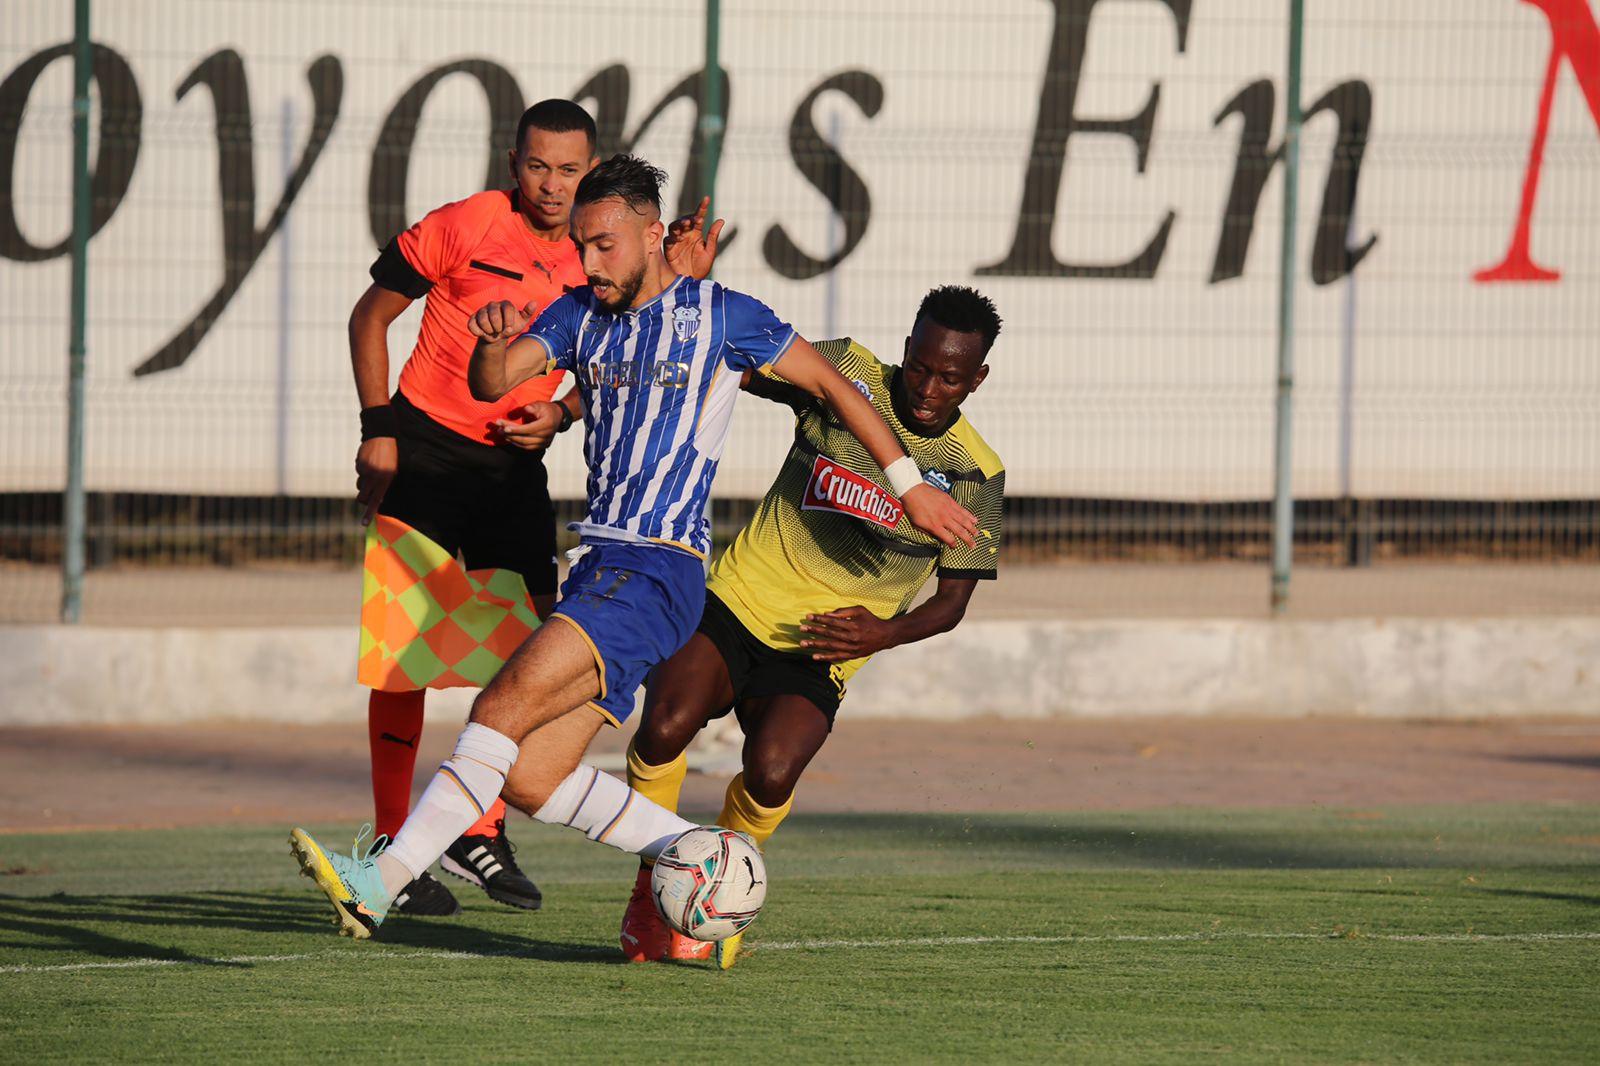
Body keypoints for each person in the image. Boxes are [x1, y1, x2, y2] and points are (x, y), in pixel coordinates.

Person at [288, 154, 978, 940]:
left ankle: (377, 882)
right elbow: (495, 382)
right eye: (580, 244)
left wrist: (908, 482)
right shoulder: (579, 313)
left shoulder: (722, 314)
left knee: (498, 707)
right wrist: (491, 341)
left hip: (658, 566)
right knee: (530, 775)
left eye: (604, 244)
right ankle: (698, 853)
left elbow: (831, 384)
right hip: (600, 568)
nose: (587, 261)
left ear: (654, 236)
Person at [621, 285, 1006, 967]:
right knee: (665, 724)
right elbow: (743, 362)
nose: (927, 386)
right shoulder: (850, 374)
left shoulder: (976, 473)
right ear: (907, 348)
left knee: (770, 771)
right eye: (919, 365)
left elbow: (951, 605)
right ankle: (654, 880)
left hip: (825, 647)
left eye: (950, 377)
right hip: (736, 602)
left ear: (976, 378)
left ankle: (727, 890)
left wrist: (879, 635)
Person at [345, 99, 596, 916]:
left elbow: (616, 363)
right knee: (401, 654)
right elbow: (371, 315)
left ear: (589, 170)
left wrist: (559, 413)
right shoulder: (466, 224)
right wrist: (378, 428)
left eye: (568, 169)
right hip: (420, 453)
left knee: (520, 657)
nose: (551, 185)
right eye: (537, 165)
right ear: (512, 161)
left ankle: (476, 830)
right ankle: (392, 843)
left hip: (513, 473)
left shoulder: (602, 255)